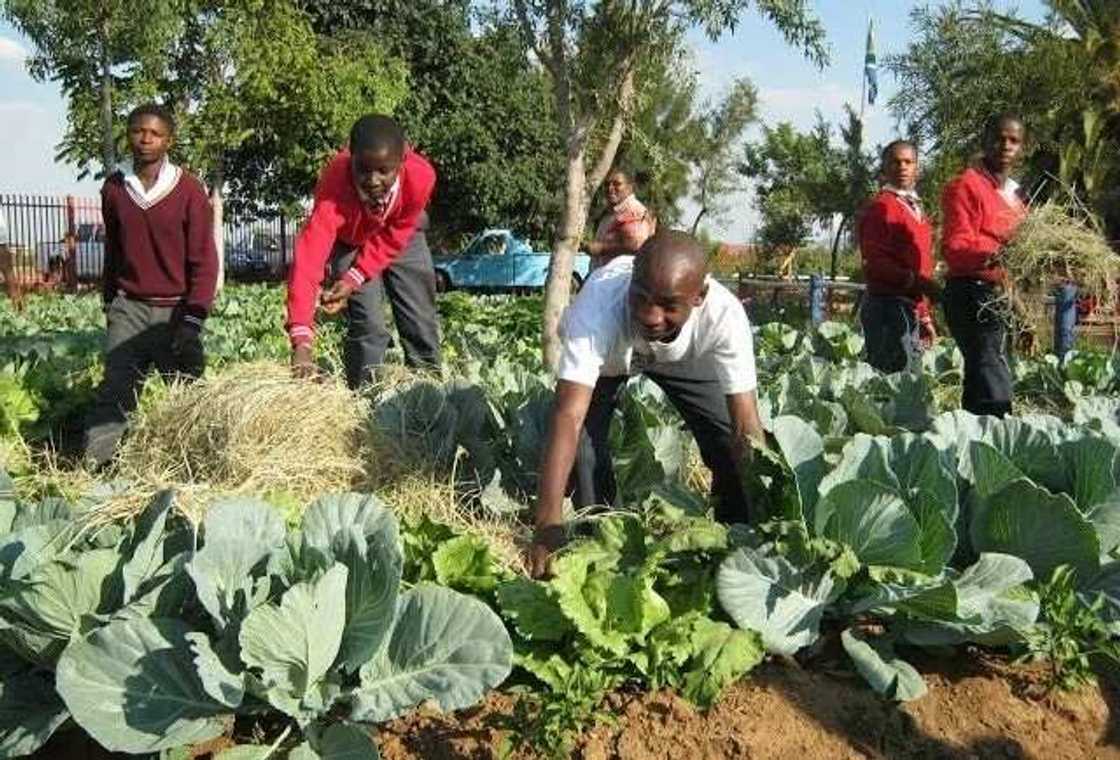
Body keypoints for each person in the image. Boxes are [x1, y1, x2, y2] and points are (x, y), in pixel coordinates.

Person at [529, 230, 764, 578]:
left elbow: (747, 426)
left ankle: (736, 533)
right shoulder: (600, 305)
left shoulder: (723, 316)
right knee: (583, 450)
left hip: (686, 357)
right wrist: (547, 525)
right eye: (640, 297)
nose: (651, 316)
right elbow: (568, 415)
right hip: (612, 357)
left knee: (726, 438)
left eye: (669, 305)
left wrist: (764, 511)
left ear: (698, 297)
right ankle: (606, 537)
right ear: (630, 285)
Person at [83, 103, 218, 467]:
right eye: (137, 131)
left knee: (189, 395)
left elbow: (205, 259)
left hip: (175, 311)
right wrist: (110, 301)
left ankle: (200, 465)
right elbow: (114, 248)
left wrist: (193, 317)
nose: (145, 139)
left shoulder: (188, 189)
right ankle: (98, 468)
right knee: (115, 389)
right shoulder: (114, 188)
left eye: (155, 133)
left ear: (169, 140)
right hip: (130, 307)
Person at [286, 114, 440, 388]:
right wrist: (302, 341)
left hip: (401, 234)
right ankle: (364, 399)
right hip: (350, 239)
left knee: (419, 318)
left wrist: (357, 276)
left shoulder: (421, 176)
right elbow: (308, 260)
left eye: (384, 170)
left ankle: (429, 394)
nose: (373, 179)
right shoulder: (334, 184)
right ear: (350, 157)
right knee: (369, 327)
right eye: (363, 169)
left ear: (402, 161)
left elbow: (397, 234)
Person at [940, 113, 1028, 418]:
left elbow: (1020, 256)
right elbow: (955, 246)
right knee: (991, 374)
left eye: (1014, 140)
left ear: (1022, 147)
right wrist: (999, 254)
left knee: (983, 376)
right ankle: (997, 436)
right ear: (984, 141)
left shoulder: (1016, 197)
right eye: (999, 138)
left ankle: (977, 448)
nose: (1005, 145)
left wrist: (1022, 309)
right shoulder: (965, 186)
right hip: (972, 292)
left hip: (999, 294)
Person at [858, 140, 938, 373]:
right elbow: (875, 264)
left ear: (917, 168)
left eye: (908, 162)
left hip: (908, 308)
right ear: (884, 168)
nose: (902, 167)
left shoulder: (916, 209)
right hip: (886, 309)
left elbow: (922, 265)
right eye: (895, 162)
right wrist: (917, 282)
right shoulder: (880, 208)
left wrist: (924, 316)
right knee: (888, 385)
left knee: (907, 381)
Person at [586, 168, 656, 269]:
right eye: (607, 184)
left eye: (617, 184)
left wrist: (602, 248)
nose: (610, 188)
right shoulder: (610, 213)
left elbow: (638, 245)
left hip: (621, 278)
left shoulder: (634, 211)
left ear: (630, 187)